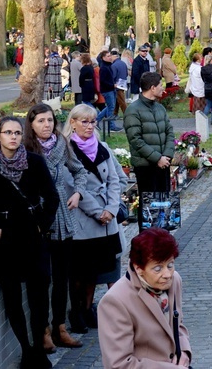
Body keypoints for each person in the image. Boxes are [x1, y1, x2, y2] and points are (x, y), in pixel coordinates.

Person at [0, 116, 59, 368]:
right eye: (8, 132)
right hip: (4, 241)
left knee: (39, 297)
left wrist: (42, 224)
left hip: (33, 238)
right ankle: (26, 350)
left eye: (17, 132)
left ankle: (38, 347)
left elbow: (52, 196)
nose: (13, 137)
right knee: (12, 298)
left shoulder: (34, 162)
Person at [24, 104, 87, 349]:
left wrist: (78, 193)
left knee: (62, 278)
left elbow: (80, 171)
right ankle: (44, 331)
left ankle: (60, 326)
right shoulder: (25, 149)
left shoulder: (62, 144)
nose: (46, 125)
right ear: (31, 124)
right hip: (39, 219)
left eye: (49, 120)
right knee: (42, 279)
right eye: (40, 121)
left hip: (64, 218)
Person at [62, 104, 122, 333]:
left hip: (107, 219)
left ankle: (88, 309)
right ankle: (76, 311)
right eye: (84, 121)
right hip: (84, 220)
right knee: (80, 271)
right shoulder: (67, 150)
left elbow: (115, 179)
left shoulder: (103, 146)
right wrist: (99, 212)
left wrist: (112, 208)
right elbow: (72, 186)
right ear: (73, 123)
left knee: (96, 270)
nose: (89, 126)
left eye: (93, 121)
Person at [98, 227, 192, 368]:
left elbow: (177, 324)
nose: (167, 274)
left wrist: (184, 351)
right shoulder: (115, 301)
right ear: (138, 269)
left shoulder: (174, 280)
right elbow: (118, 364)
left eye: (170, 265)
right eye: (158, 268)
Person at [123, 72, 175, 232]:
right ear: (152, 88)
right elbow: (136, 140)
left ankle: (163, 242)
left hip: (163, 164)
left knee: (163, 205)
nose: (163, 88)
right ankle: (148, 244)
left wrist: (166, 156)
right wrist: (157, 158)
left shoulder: (159, 108)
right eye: (160, 85)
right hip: (146, 167)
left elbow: (169, 132)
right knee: (148, 208)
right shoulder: (133, 110)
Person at [96, 50, 122, 132]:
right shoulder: (103, 68)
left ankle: (96, 120)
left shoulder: (109, 65)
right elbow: (103, 81)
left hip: (111, 88)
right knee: (111, 108)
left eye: (110, 55)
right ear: (103, 58)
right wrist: (112, 85)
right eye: (108, 56)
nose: (110, 57)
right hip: (107, 90)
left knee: (110, 107)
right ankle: (111, 126)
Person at [111, 50, 129, 117]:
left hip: (117, 84)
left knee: (121, 100)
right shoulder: (123, 63)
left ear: (114, 56)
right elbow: (126, 73)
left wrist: (112, 83)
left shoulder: (114, 65)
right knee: (118, 99)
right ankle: (115, 112)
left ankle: (126, 113)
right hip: (123, 83)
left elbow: (113, 76)